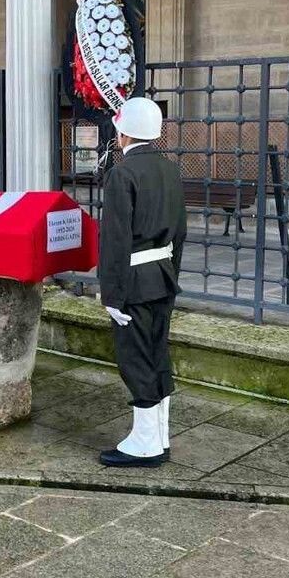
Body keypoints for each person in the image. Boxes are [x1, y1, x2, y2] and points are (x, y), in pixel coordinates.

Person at [97, 97, 187, 468]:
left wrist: (112, 295)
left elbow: (116, 240)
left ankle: (146, 444)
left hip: (133, 282)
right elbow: (179, 232)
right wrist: (170, 275)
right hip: (162, 277)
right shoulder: (170, 170)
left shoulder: (123, 174)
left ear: (124, 132)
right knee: (156, 353)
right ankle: (158, 436)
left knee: (135, 359)